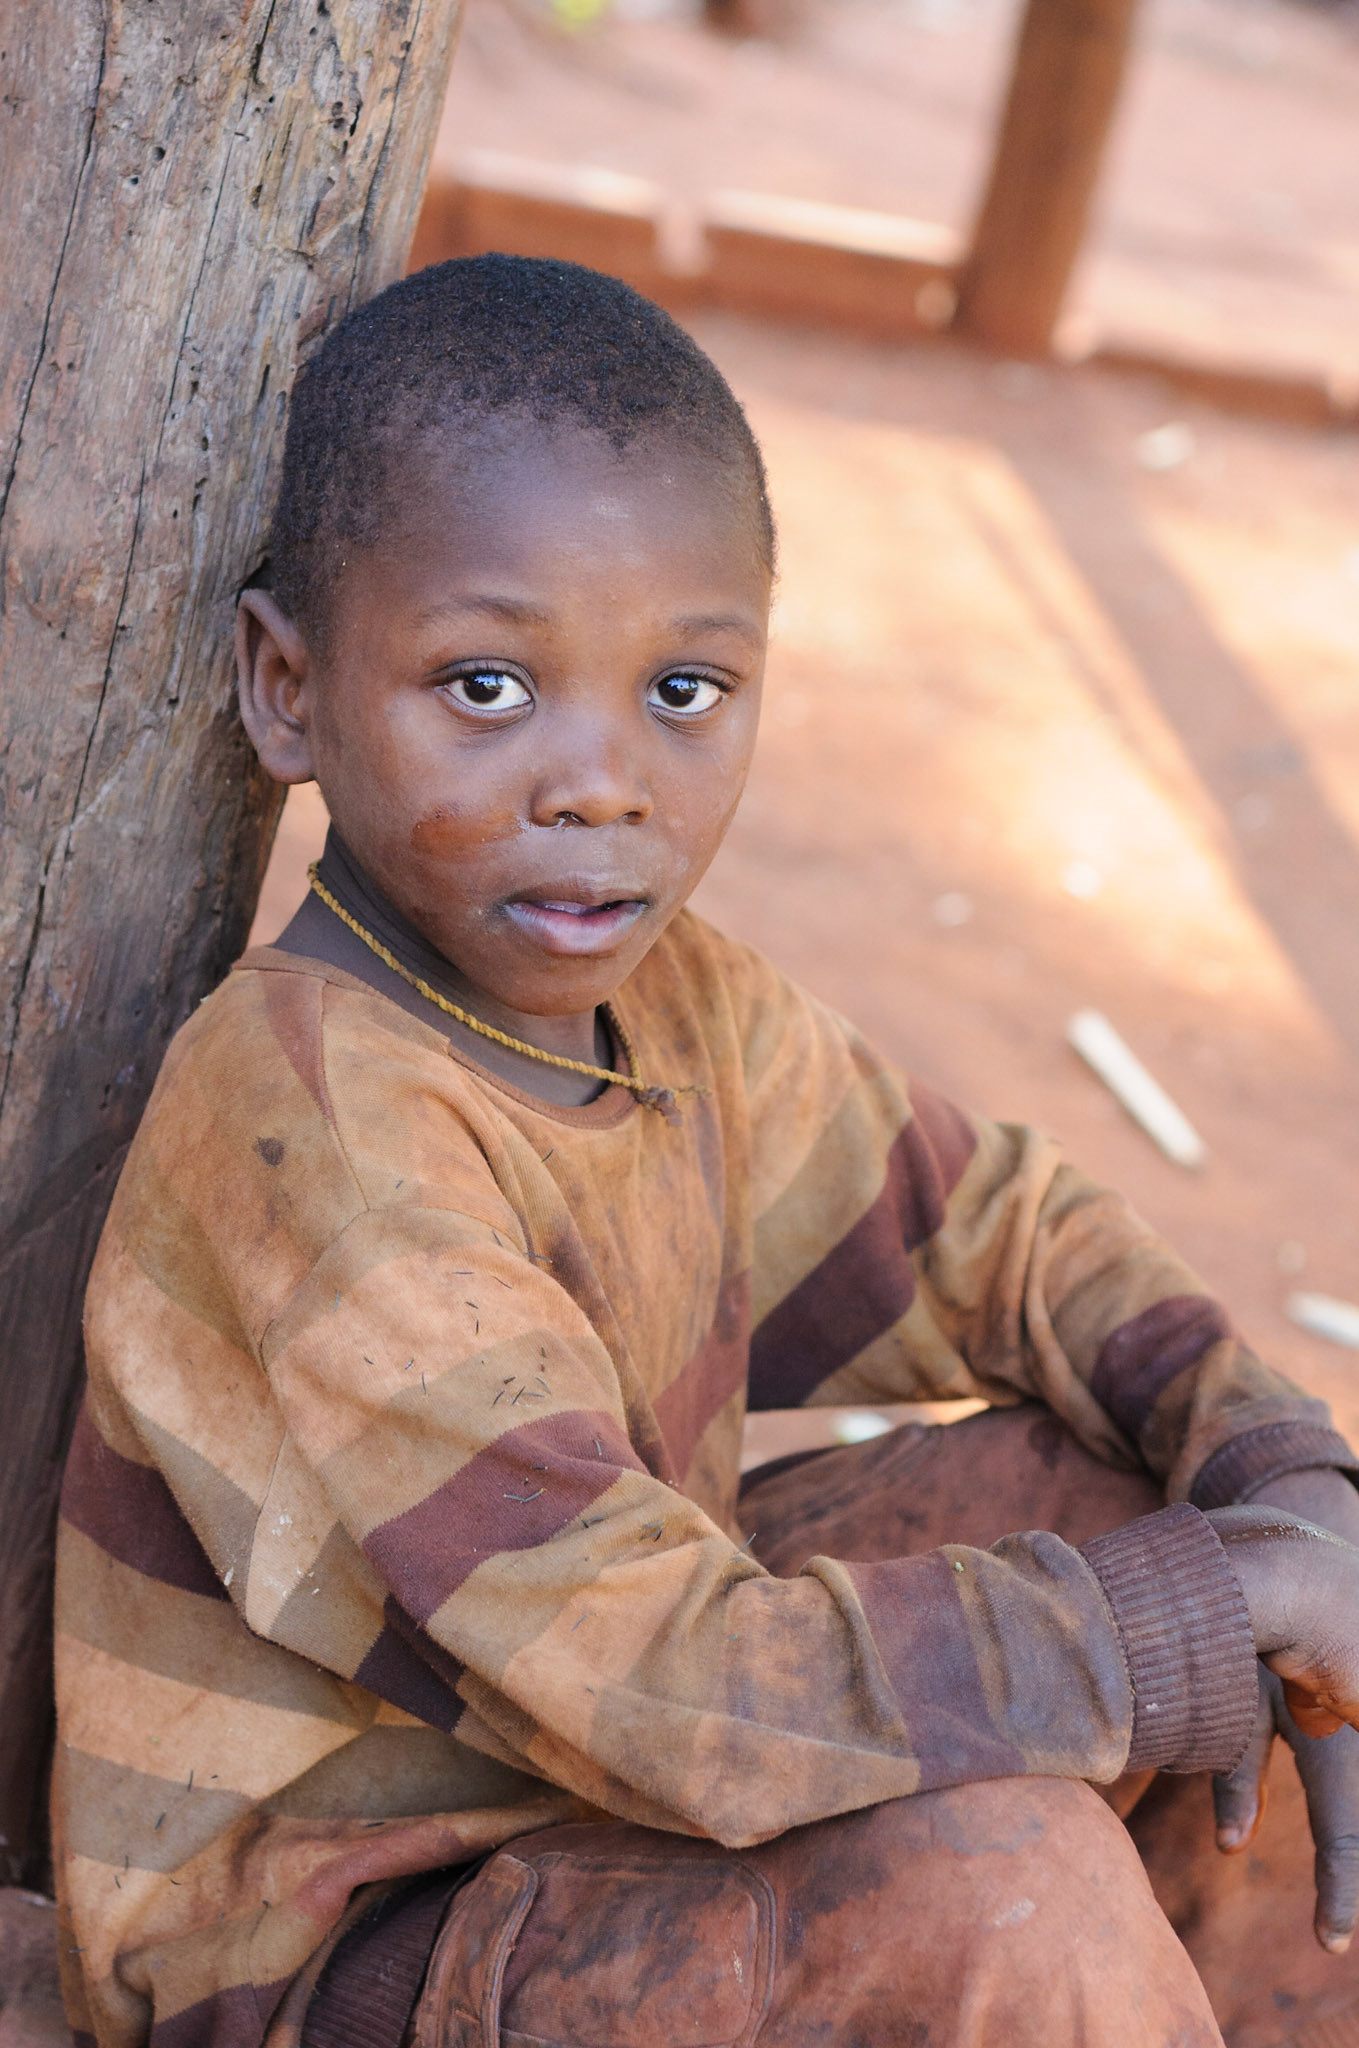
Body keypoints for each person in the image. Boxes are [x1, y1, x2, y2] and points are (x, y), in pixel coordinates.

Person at [51, 255, 1359, 2048]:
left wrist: (1288, 1480)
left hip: (596, 1775)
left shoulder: (678, 1008)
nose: (603, 785)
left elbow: (1009, 1235)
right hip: (334, 1949)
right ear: (291, 691)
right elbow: (675, 1686)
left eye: (684, 692)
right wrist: (1198, 1616)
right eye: (490, 686)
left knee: (1187, 1524)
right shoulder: (320, 1139)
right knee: (1012, 1883)